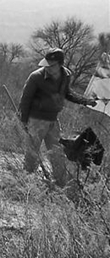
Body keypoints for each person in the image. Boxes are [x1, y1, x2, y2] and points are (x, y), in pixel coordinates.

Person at [19, 48, 96, 187]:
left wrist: (85, 101)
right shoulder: (36, 77)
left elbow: (68, 93)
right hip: (36, 120)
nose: (47, 68)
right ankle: (26, 185)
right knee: (32, 153)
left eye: (51, 65)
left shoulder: (66, 75)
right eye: (46, 64)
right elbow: (25, 99)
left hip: (53, 120)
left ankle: (60, 185)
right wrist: (23, 120)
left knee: (57, 153)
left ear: (60, 64)